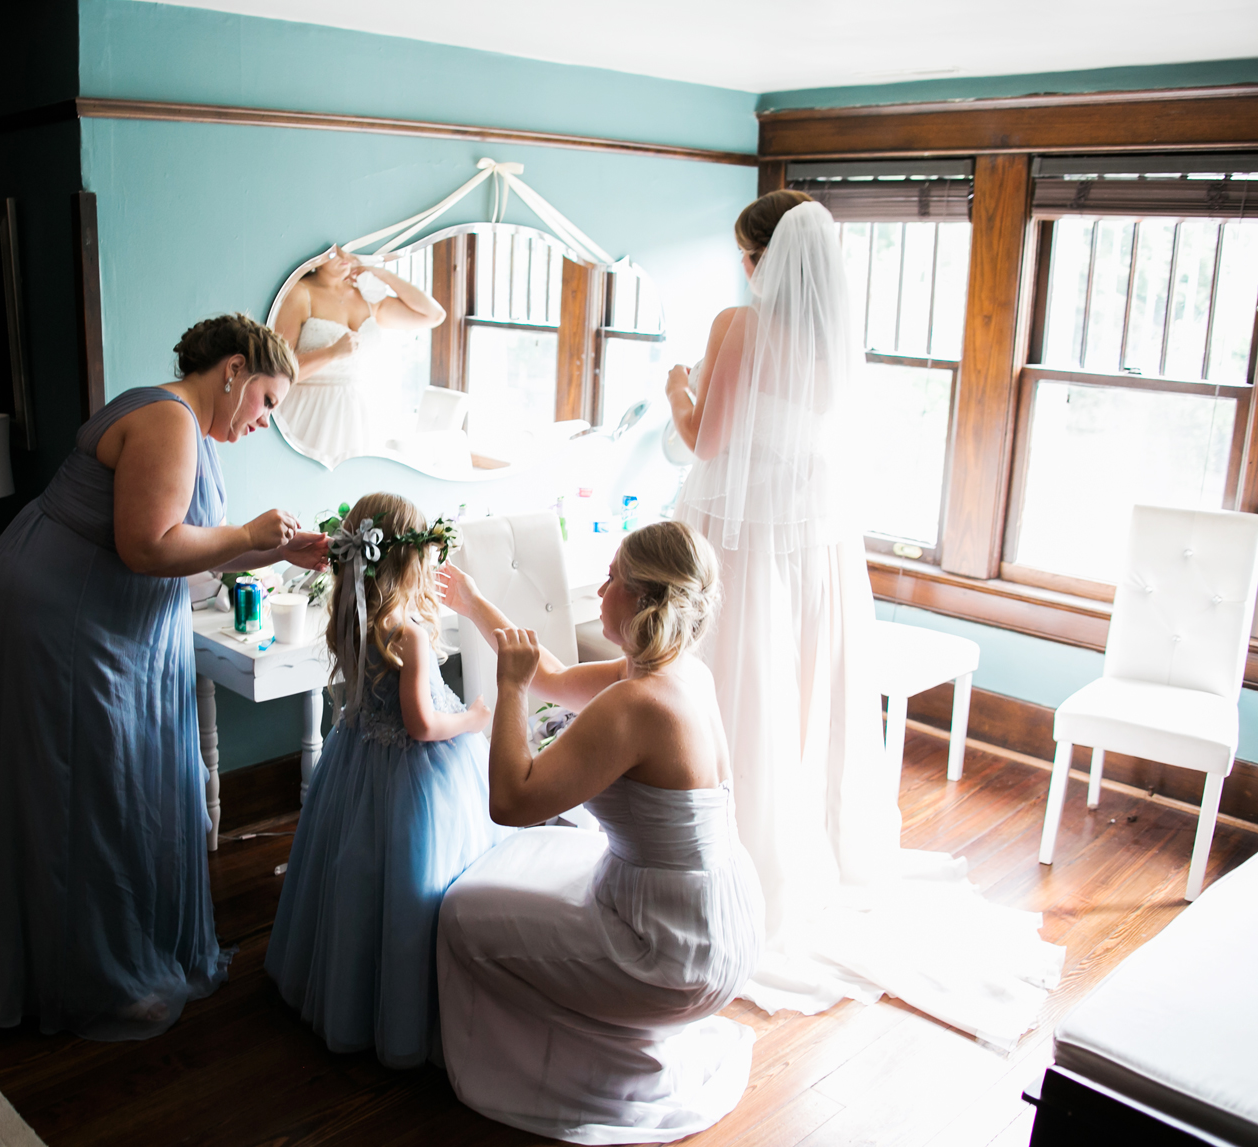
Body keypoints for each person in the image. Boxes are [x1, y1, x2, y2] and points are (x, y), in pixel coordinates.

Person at [665, 192, 1062, 1045]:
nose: (743, 268)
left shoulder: (739, 326)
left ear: (763, 257)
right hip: (812, 540)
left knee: (731, 681)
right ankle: (792, 845)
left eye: (746, 253)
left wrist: (675, 393)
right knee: (797, 691)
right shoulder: (834, 340)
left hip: (744, 538)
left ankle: (719, 852)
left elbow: (707, 443)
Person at [0, 314, 330, 1041]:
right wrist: (254, 533)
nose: (265, 420)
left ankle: (95, 955)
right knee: (92, 789)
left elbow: (191, 555)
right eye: (266, 400)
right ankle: (99, 973)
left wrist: (281, 550)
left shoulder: (188, 426)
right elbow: (146, 546)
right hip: (65, 618)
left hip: (85, 611)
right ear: (232, 369)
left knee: (105, 784)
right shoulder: (167, 419)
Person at [433, 520, 765, 1143]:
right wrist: (474, 603)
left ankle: (559, 1076)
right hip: (726, 920)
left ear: (642, 600)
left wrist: (507, 690)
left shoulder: (635, 704)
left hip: (668, 950)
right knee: (538, 861)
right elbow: (555, 677)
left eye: (612, 577)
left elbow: (511, 800)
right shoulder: (678, 673)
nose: (601, 588)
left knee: (458, 915)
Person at [264, 492, 508, 1068]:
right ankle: (409, 1007)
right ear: (410, 561)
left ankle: (350, 988)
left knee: (356, 876)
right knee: (413, 883)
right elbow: (423, 726)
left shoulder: (352, 618)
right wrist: (473, 718)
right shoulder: (411, 634)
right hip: (416, 780)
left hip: (356, 763)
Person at [271, 246, 446, 467]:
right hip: (312, 410)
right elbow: (279, 370)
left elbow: (434, 315)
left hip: (359, 414)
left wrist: (381, 273)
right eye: (335, 253)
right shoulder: (300, 293)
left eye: (349, 250)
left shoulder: (366, 296)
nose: (345, 257)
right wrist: (331, 353)